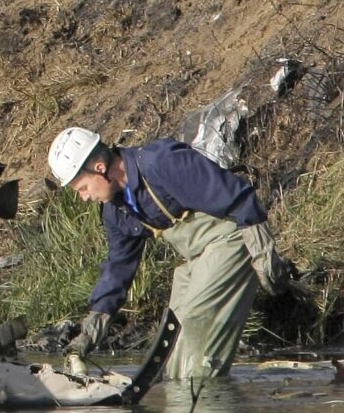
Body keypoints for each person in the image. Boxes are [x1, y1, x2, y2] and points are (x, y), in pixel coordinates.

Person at [46, 125, 280, 385]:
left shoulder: (162, 162)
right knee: (172, 346)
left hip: (232, 240)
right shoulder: (116, 210)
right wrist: (89, 333)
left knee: (196, 322)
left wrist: (263, 251)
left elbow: (237, 194)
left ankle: (208, 405)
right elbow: (118, 270)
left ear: (99, 168)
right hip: (197, 257)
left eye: (82, 187)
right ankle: (183, 409)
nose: (84, 197)